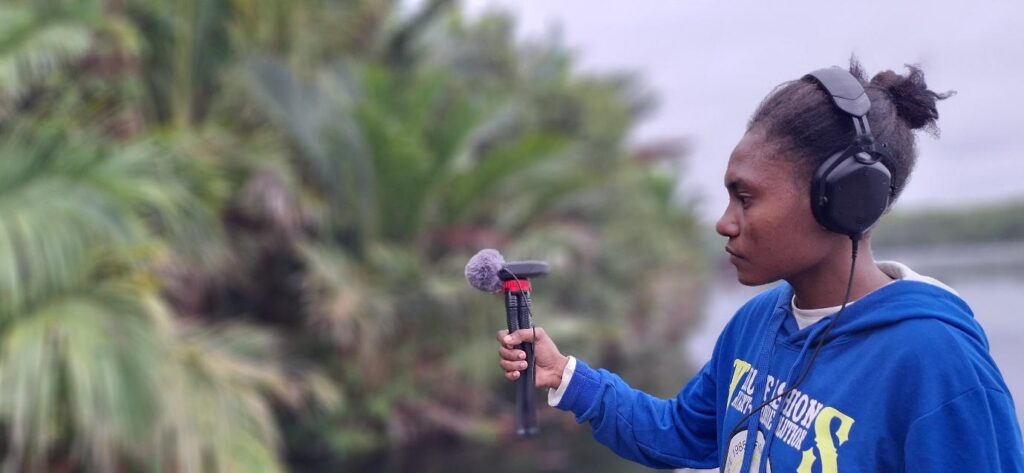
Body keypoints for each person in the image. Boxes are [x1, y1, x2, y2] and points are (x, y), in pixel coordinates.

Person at [496, 60, 1024, 472]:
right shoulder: (759, 322)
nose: (724, 223)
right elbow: (681, 433)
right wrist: (568, 376)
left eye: (745, 198)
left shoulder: (937, 365)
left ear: (841, 200)